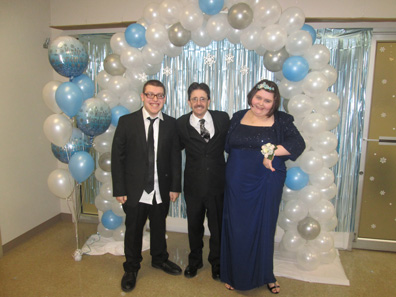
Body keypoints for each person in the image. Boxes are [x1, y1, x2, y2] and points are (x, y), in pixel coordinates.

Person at [220, 79, 305, 294]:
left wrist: (271, 151)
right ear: (251, 97)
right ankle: (233, 273)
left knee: (264, 227)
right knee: (236, 227)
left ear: (274, 103)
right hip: (237, 178)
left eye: (267, 100)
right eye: (258, 97)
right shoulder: (238, 116)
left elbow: (298, 144)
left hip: (267, 178)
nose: (261, 103)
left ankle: (266, 274)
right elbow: (228, 145)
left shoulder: (282, 120)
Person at [111, 80, 182, 293]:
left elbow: (175, 158)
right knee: (133, 230)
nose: (154, 99)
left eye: (159, 95)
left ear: (164, 99)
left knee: (159, 226)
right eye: (150, 95)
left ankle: (159, 259)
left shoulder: (171, 124)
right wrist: (120, 189)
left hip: (161, 188)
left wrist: (175, 186)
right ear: (142, 96)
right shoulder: (127, 122)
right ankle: (131, 268)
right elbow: (117, 158)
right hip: (134, 190)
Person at [176, 82, 230, 280]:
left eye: (203, 98)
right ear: (189, 101)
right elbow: (174, 153)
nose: (199, 102)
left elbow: (233, 144)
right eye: (195, 99)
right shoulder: (181, 124)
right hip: (193, 186)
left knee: (217, 228)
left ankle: (217, 263)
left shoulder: (223, 118)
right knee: (194, 227)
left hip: (218, 185)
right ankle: (195, 261)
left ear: (209, 100)